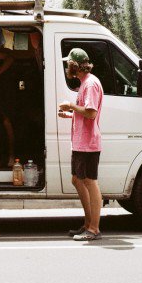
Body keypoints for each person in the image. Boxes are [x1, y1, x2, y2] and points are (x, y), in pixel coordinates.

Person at [57, 48, 104, 241]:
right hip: (80, 142)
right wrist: (70, 114)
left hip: (87, 142)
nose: (67, 66)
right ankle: (87, 224)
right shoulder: (85, 83)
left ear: (75, 66)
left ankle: (94, 229)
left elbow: (91, 112)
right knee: (77, 180)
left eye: (68, 64)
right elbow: (85, 112)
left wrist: (71, 106)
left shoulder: (90, 84)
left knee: (89, 181)